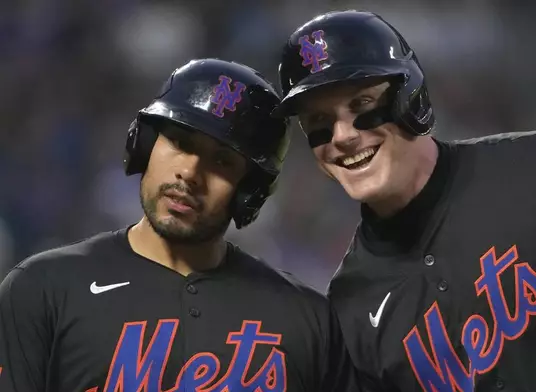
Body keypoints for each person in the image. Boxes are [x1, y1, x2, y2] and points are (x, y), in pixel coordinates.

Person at [271, 9, 536, 392]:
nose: (343, 136)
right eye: (319, 123)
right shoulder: (350, 311)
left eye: (362, 105)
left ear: (410, 98)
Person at [0, 58, 358, 392]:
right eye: (180, 143)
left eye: (221, 161)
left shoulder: (307, 322)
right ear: (144, 144)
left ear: (249, 192)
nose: (189, 173)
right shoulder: (43, 290)